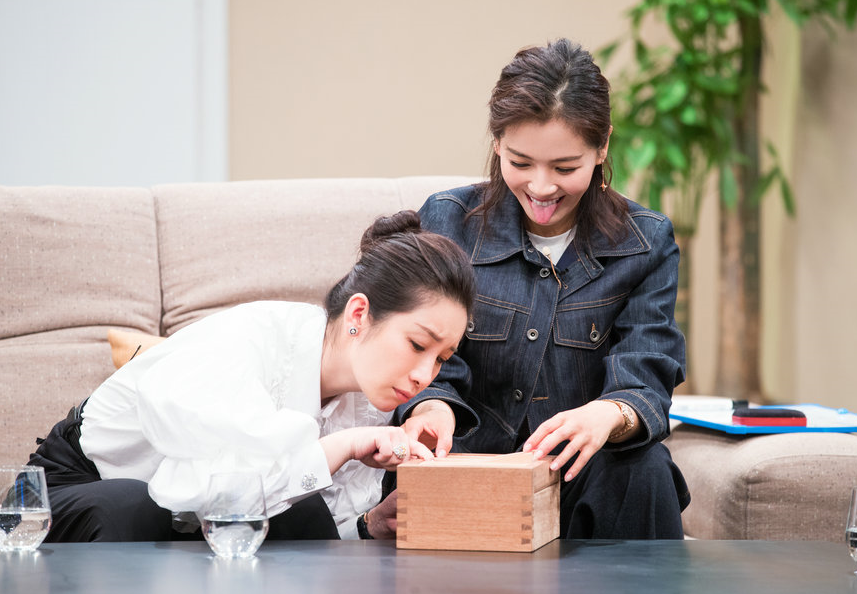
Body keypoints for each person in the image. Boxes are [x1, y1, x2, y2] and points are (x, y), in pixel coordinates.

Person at [386, 38, 690, 539]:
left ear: (603, 147)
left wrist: (608, 414)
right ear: (498, 142)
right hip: (465, 461)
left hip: (580, 472)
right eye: (521, 162)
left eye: (566, 168)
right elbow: (422, 352)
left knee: (645, 468)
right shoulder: (448, 220)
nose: (542, 187)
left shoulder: (646, 242)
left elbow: (647, 370)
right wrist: (430, 405)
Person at [27, 210, 476, 542]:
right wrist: (341, 447)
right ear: (359, 312)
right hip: (82, 485)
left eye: (441, 358)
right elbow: (203, 493)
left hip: (177, 520)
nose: (424, 375)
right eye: (418, 345)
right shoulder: (247, 343)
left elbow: (301, 511)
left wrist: (367, 524)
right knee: (131, 508)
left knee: (303, 517)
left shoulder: (368, 401)